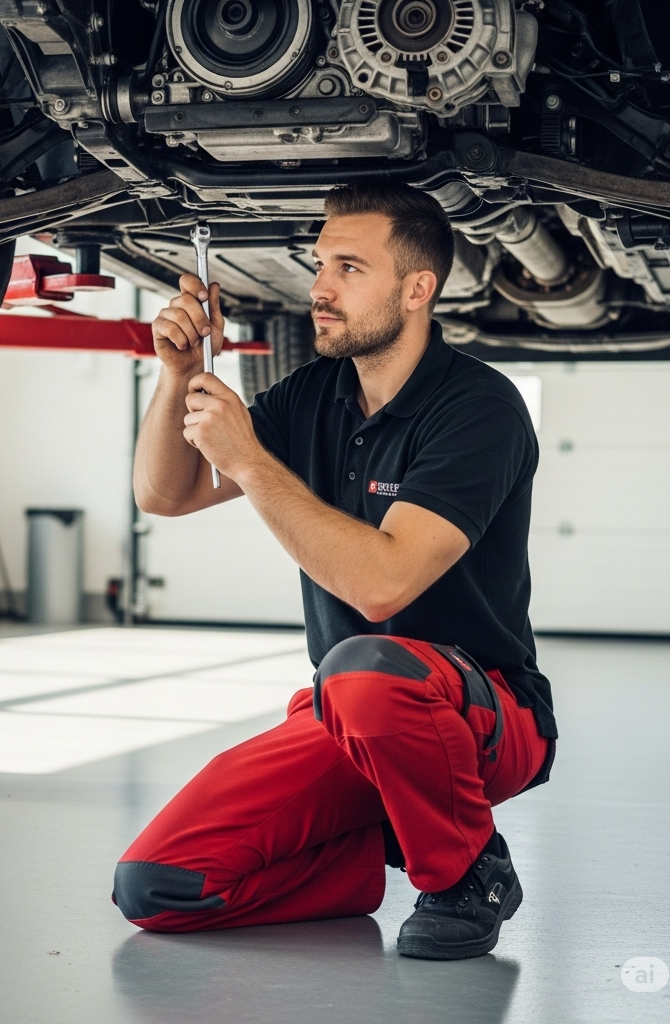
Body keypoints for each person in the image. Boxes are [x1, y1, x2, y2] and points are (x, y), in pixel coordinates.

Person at [112, 181, 557, 961]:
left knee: (365, 667)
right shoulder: (313, 395)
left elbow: (383, 587)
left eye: (349, 268)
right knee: (156, 884)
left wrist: (252, 462)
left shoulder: (478, 409)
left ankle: (467, 872)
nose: (319, 287)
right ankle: (358, 859)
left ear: (417, 289)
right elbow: (165, 494)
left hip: (486, 717)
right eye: (320, 265)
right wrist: (176, 374)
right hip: (348, 714)